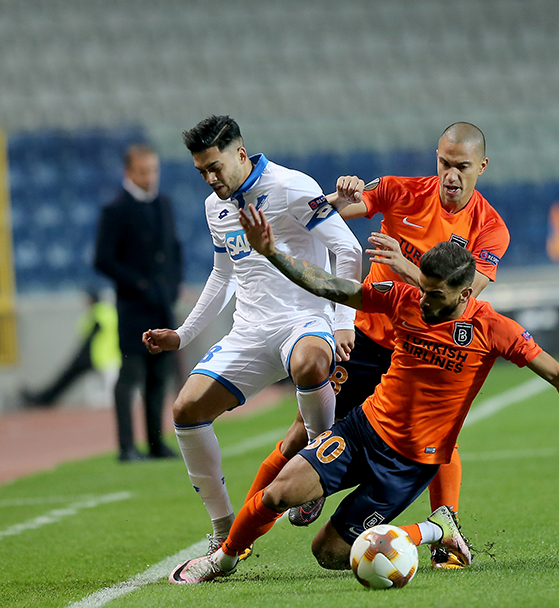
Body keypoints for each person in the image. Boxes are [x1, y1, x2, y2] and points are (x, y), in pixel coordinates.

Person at [168, 207, 559, 584]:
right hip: (363, 430)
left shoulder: (494, 329)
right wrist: (272, 253)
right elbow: (331, 286)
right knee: (276, 494)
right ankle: (221, 560)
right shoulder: (405, 297)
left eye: (436, 295)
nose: (424, 301)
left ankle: (434, 530)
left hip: (408, 464)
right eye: (423, 286)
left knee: (326, 552)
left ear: (465, 293)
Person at [277, 122, 510, 570]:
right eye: (444, 163)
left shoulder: (490, 228)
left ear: (481, 166)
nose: (451, 175)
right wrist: (336, 196)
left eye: (462, 166)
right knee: (300, 433)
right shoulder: (399, 190)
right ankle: (238, 533)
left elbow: (466, 297)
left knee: (441, 439)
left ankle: (446, 530)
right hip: (368, 335)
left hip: (424, 341)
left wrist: (405, 266)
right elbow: (327, 215)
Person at [141, 116, 362, 557]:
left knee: (311, 364)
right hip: (250, 331)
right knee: (185, 409)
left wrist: (343, 321)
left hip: (305, 320)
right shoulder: (215, 207)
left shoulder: (293, 187)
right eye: (202, 171)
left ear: (240, 154)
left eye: (215, 166)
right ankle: (224, 530)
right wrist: (183, 336)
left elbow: (349, 250)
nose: (210, 178)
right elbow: (223, 274)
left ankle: (317, 468)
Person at [95, 144, 182, 462]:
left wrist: (172, 287)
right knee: (130, 375)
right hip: (133, 308)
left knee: (159, 377)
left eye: (154, 170)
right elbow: (102, 259)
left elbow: (175, 249)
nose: (150, 177)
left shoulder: (164, 204)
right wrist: (139, 283)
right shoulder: (115, 210)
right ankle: (126, 446)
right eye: (144, 171)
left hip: (162, 305)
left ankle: (157, 444)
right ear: (128, 172)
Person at [20, 289, 121, 408]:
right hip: (105, 357)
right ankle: (45, 397)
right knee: (72, 378)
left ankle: (45, 398)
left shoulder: (99, 312)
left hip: (99, 357)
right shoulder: (106, 311)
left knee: (68, 377)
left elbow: (92, 335)